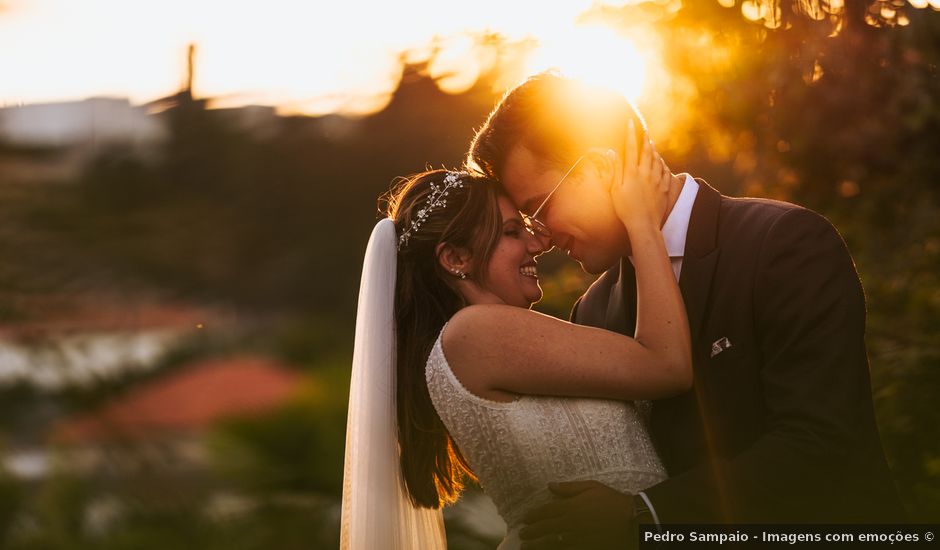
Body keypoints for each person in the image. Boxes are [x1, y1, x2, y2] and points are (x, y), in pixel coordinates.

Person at [465, 72, 905, 548]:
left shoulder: (784, 243)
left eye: (541, 206)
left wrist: (646, 514)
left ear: (600, 168)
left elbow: (823, 447)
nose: (542, 236)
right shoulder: (593, 310)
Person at [341, 128, 692, 549]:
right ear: (455, 259)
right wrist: (642, 221)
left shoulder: (480, 338)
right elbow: (666, 365)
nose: (537, 243)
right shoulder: (475, 332)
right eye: (511, 232)